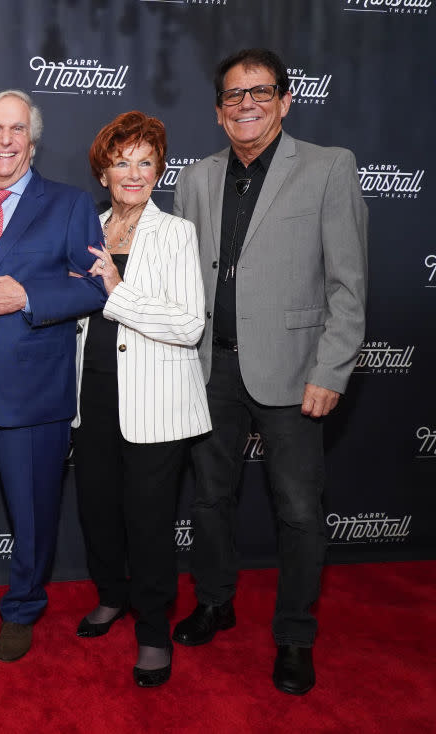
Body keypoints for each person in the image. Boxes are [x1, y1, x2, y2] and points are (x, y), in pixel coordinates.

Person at [171, 48, 368, 695]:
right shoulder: (196, 179)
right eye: (233, 95)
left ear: (285, 100)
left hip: (293, 372)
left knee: (299, 512)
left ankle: (293, 636)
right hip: (209, 370)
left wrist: (330, 369)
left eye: (260, 92)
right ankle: (215, 601)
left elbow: (348, 285)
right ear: (219, 111)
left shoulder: (328, 168)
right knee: (208, 500)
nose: (246, 104)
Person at [0, 90, 107, 662]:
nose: (5, 140)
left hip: (34, 391)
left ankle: (23, 607)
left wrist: (27, 295)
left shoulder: (68, 204)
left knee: (33, 511)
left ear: (31, 142)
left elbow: (94, 284)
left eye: (16, 130)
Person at [71, 111, 210, 687]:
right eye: (121, 162)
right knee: (98, 510)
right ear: (103, 172)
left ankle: (152, 631)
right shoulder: (87, 229)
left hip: (155, 402)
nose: (132, 173)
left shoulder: (175, 232)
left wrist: (116, 291)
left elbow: (187, 324)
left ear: (159, 171)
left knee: (149, 524)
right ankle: (110, 596)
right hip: (92, 395)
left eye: (144, 162)